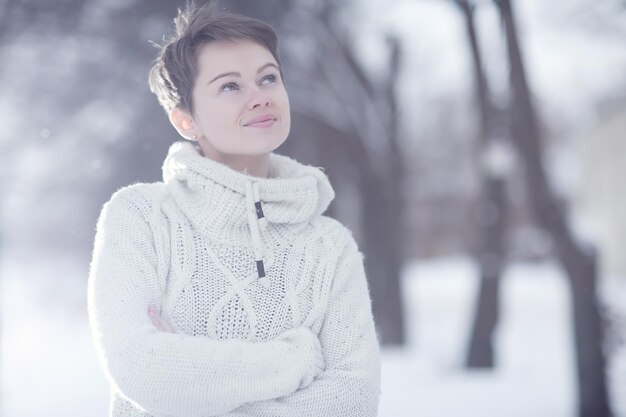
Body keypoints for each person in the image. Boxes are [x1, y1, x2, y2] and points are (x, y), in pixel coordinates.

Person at [87, 2, 381, 416]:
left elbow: (353, 399)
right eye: (230, 86)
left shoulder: (331, 248)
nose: (260, 98)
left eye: (268, 78)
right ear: (187, 120)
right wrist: (296, 360)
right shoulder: (140, 218)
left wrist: (192, 385)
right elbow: (141, 369)